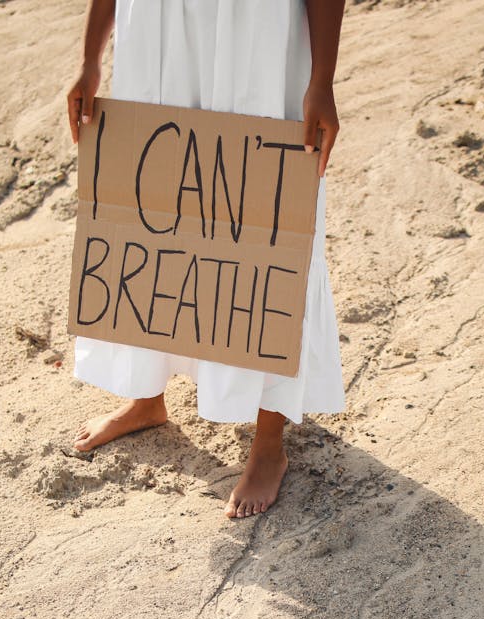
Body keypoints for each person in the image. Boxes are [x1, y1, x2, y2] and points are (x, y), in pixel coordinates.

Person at [67, 0, 345, 518]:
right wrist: (90, 56)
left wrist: (322, 78)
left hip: (255, 31)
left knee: (265, 211)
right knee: (156, 198)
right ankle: (146, 393)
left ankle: (268, 441)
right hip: (157, 24)